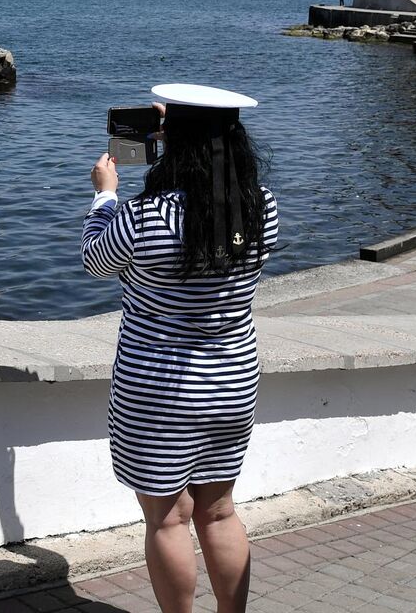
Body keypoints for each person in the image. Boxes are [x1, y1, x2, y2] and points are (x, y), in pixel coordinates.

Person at [84, 84, 280, 613]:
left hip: (159, 392)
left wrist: (105, 193)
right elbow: (211, 204)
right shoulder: (260, 207)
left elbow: (95, 257)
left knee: (168, 519)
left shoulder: (147, 217)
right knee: (218, 513)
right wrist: (190, 126)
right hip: (232, 385)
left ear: (175, 142)